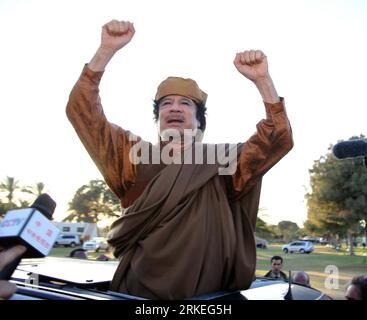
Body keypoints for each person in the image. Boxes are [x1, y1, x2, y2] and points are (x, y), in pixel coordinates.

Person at [66, 19, 293, 299]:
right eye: (165, 104)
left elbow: (277, 138)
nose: (174, 108)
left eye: (185, 103)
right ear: (158, 117)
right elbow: (83, 113)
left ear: (199, 120)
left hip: (207, 298)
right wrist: (105, 51)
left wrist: (262, 81)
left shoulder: (223, 161)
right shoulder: (131, 156)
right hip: (138, 295)